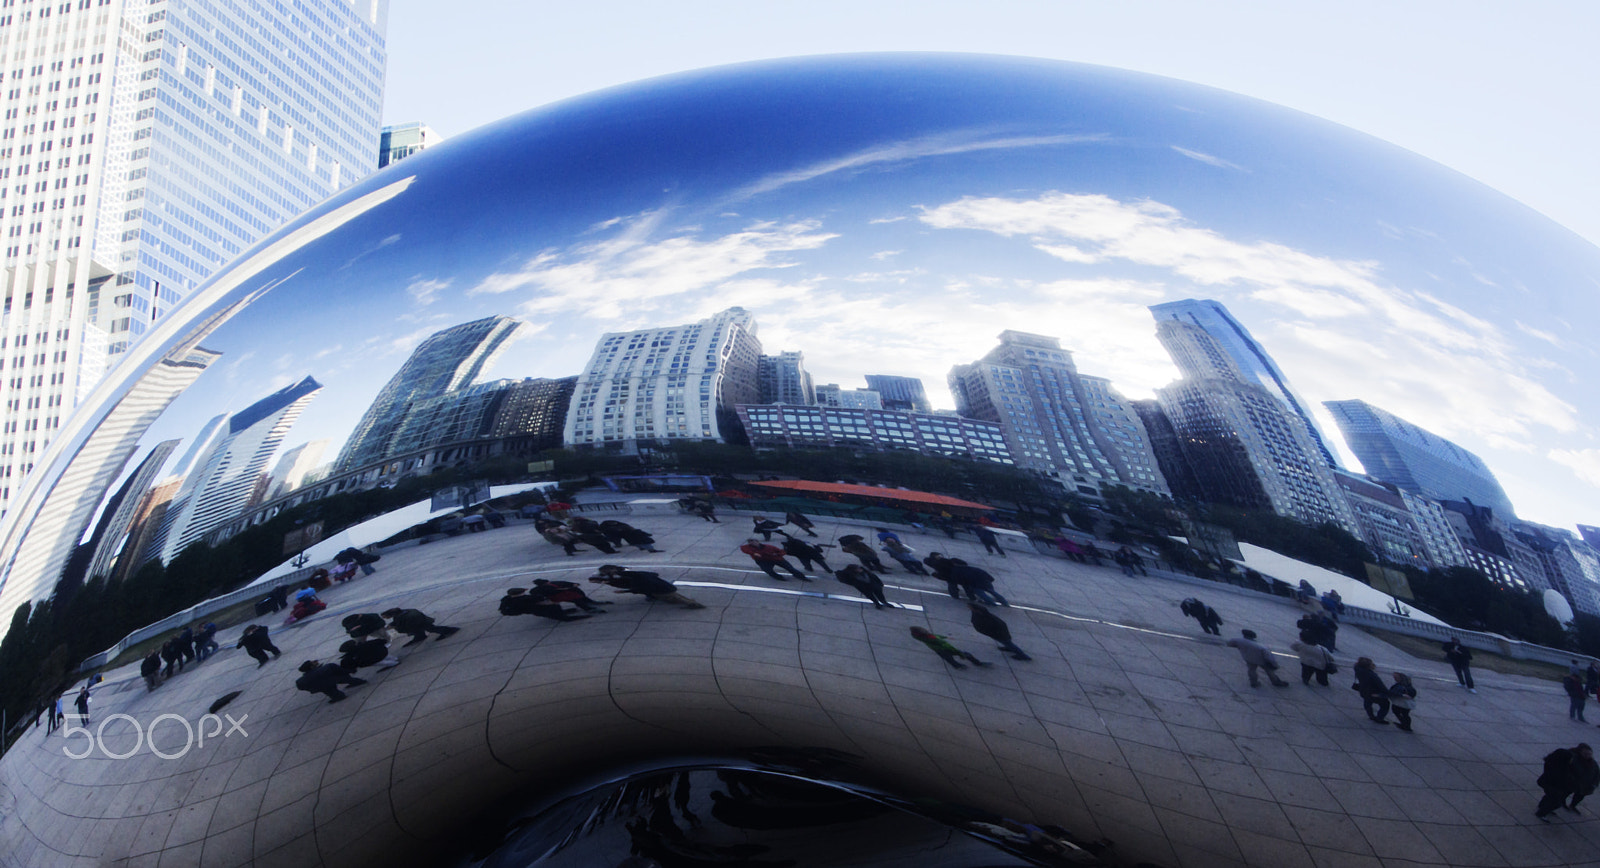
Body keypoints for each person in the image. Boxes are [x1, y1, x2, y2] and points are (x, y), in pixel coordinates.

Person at [589, 565, 706, 609]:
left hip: (661, 590)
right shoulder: (635, 574)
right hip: (664, 586)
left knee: (676, 598)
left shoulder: (636, 580)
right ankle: (691, 603)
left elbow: (639, 589)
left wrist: (623, 592)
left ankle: (693, 604)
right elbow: (655, 575)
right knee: (676, 596)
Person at [1537, 744, 1598, 821]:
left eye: (1589, 754)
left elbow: (1596, 773)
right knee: (1555, 801)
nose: (1588, 756)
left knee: (1551, 797)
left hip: (1566, 785)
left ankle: (1543, 808)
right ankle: (1541, 812)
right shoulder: (1564, 763)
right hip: (1557, 785)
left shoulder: (1591, 763)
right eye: (1586, 754)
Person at [910, 626, 992, 669]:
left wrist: (944, 637)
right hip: (943, 648)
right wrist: (959, 653)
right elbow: (948, 646)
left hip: (938, 650)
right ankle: (977, 663)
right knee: (966, 655)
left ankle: (957, 666)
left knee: (948, 658)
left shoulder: (919, 637)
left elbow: (935, 636)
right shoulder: (933, 639)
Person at [500, 587, 592, 622]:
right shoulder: (525, 599)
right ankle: (564, 616)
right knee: (557, 611)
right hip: (539, 609)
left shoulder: (507, 599)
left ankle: (561, 614)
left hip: (533, 610)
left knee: (553, 608)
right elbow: (541, 602)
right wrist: (551, 602)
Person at [295, 660, 368, 703]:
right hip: (331, 673)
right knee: (344, 679)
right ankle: (358, 681)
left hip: (325, 681)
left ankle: (339, 696)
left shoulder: (305, 679)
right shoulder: (323, 669)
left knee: (331, 689)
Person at [740, 538, 811, 581]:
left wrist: (777, 554)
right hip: (763, 561)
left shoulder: (769, 547)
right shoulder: (748, 547)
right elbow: (743, 549)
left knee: (790, 568)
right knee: (768, 570)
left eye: (754, 542)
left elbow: (781, 551)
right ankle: (779, 577)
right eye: (751, 543)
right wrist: (754, 553)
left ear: (758, 542)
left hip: (776, 558)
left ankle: (801, 577)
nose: (753, 543)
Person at [382, 608, 461, 645]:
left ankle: (448, 631)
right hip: (421, 621)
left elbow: (407, 626)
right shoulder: (404, 613)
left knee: (431, 628)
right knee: (429, 628)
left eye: (385, 616)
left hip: (420, 623)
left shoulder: (405, 616)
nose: (385, 618)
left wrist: (395, 627)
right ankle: (420, 636)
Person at [531, 578, 610, 613]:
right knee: (576, 599)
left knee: (578, 597)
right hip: (557, 596)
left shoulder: (553, 583)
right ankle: (587, 608)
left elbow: (565, 583)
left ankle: (588, 603)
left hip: (564, 593)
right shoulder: (541, 589)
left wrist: (573, 584)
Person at [1352, 657, 1391, 724]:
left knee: (1367, 702)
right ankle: (1379, 718)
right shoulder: (1371, 675)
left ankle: (1371, 715)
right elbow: (1381, 685)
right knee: (1385, 704)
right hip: (1374, 692)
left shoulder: (1357, 669)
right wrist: (1387, 693)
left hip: (1364, 690)